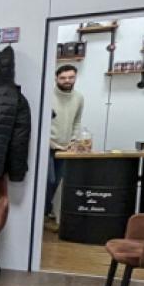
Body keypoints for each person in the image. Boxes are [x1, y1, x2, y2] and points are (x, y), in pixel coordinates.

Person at [46, 64, 85, 219]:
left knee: (57, 183)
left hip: (65, 148)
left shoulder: (79, 98)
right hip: (47, 147)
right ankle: (42, 214)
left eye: (70, 77)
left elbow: (77, 121)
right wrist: (50, 143)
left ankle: (45, 214)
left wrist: (74, 141)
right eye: (63, 78)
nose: (67, 80)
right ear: (56, 78)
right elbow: (40, 123)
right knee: (48, 181)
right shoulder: (48, 95)